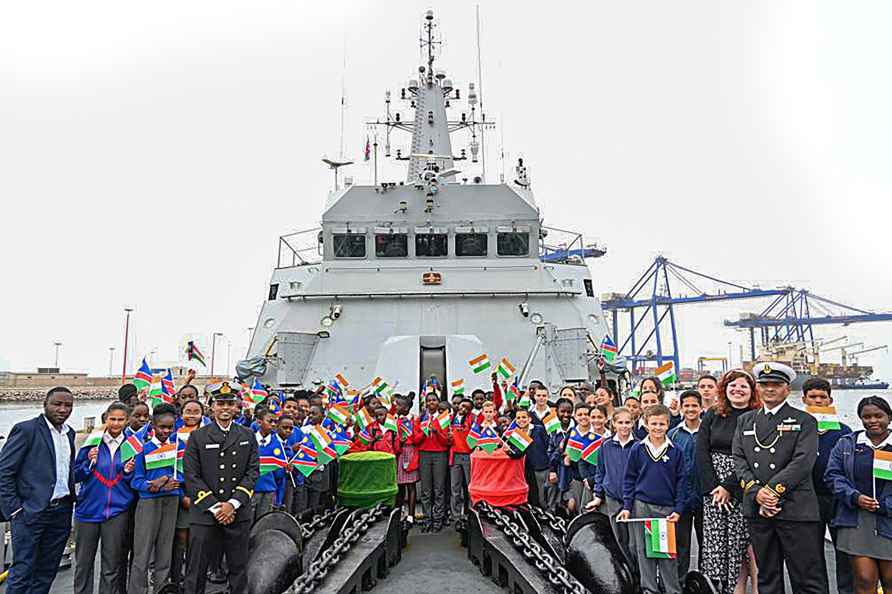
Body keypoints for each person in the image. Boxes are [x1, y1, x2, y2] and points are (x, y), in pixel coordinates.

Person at [732, 362, 828, 594]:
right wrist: (757, 494)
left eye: (776, 384)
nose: (770, 389)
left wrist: (772, 493)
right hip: (759, 510)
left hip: (795, 509)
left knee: (806, 577)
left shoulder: (804, 421)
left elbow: (803, 462)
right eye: (764, 384)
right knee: (767, 576)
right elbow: (739, 459)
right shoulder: (746, 421)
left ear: (787, 388)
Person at [182, 381, 259, 594]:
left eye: (229, 403)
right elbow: (192, 476)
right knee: (196, 569)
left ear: (236, 407)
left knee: (238, 567)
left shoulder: (247, 435)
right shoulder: (198, 437)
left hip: (237, 512)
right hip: (206, 513)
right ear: (211, 407)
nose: (225, 408)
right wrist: (217, 507)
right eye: (220, 403)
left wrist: (232, 505)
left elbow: (252, 472)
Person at [0, 387, 76, 594]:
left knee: (46, 571)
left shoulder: (69, 434)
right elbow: (4, 471)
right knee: (23, 571)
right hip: (30, 513)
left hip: (61, 512)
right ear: (45, 404)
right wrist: (14, 510)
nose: (62, 409)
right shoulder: (26, 430)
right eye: (57, 404)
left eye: (68, 405)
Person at [697, 369, 760, 594]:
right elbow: (701, 451)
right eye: (733, 385)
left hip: (744, 485)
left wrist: (728, 487)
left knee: (745, 547)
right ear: (725, 389)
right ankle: (723, 589)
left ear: (752, 391)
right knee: (717, 545)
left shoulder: (758, 416)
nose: (738, 389)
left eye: (743, 386)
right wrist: (714, 487)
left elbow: (755, 455)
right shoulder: (713, 414)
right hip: (714, 490)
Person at [825, 396, 892, 594]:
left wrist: (885, 505)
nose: (873, 421)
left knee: (890, 581)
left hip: (888, 519)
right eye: (867, 417)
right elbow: (832, 475)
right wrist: (855, 497)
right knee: (864, 580)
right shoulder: (846, 444)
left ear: (889, 417)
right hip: (856, 520)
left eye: (878, 416)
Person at [617, 404, 687, 594]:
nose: (658, 428)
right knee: (644, 550)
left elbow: (682, 482)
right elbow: (629, 479)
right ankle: (649, 589)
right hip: (642, 506)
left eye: (662, 424)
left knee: (666, 551)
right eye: (654, 424)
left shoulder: (675, 451)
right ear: (646, 424)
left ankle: (672, 589)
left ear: (668, 424)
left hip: (666, 508)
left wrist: (678, 509)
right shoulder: (638, 449)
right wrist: (627, 506)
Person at [73, 402, 135, 594]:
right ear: (105, 419)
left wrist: (127, 471)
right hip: (88, 511)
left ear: (126, 421)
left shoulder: (132, 445)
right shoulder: (92, 442)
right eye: (112, 419)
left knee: (111, 565)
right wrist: (89, 464)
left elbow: (134, 480)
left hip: (117, 512)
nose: (116, 424)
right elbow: (76, 475)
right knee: (83, 564)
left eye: (120, 419)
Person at [802, 377, 853, 594]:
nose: (817, 400)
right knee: (812, 556)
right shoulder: (797, 428)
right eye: (812, 397)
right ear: (804, 399)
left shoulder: (844, 430)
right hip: (808, 498)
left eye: (822, 397)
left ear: (830, 400)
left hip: (836, 499)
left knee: (843, 554)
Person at [129, 402, 181, 594]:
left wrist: (171, 481)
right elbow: (136, 481)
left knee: (165, 550)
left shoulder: (177, 449)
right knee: (142, 551)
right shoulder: (144, 449)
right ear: (153, 426)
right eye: (162, 427)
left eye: (170, 427)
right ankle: (138, 590)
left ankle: (161, 588)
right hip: (148, 502)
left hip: (172, 500)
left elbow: (182, 474)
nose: (166, 431)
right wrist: (154, 485)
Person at [588, 407, 637, 565]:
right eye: (620, 422)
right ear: (614, 424)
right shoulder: (606, 445)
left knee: (635, 542)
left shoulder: (639, 445)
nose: (624, 426)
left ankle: (638, 572)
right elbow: (600, 471)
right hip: (613, 498)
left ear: (633, 423)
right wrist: (597, 495)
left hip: (634, 499)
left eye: (627, 422)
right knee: (619, 539)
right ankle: (627, 573)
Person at [667, 389, 702, 580]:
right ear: (681, 408)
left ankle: (706, 581)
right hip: (680, 498)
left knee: (707, 542)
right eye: (686, 405)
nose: (690, 409)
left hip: (703, 496)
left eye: (694, 405)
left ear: (700, 407)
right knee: (681, 544)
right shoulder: (673, 435)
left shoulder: (708, 431)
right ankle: (679, 582)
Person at [416, 390, 452, 532]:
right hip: (424, 454)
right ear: (425, 403)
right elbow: (415, 440)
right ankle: (427, 518)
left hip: (440, 454)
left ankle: (438, 518)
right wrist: (425, 433)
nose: (431, 402)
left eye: (434, 400)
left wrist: (436, 432)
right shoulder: (421, 418)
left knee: (439, 489)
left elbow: (447, 442)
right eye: (428, 400)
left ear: (438, 402)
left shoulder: (444, 419)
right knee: (426, 490)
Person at [253, 409, 286, 519]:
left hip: (269, 490)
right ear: (259, 422)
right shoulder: (249, 440)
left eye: (275, 422)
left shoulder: (278, 444)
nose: (273, 424)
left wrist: (285, 468)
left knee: (263, 522)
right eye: (270, 421)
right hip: (251, 489)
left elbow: (279, 475)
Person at [449, 398, 474, 525]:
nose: (463, 408)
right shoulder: (450, 418)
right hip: (455, 456)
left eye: (467, 408)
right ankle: (456, 515)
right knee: (455, 487)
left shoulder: (472, 419)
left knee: (470, 487)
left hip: (468, 455)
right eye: (462, 405)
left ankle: (471, 513)